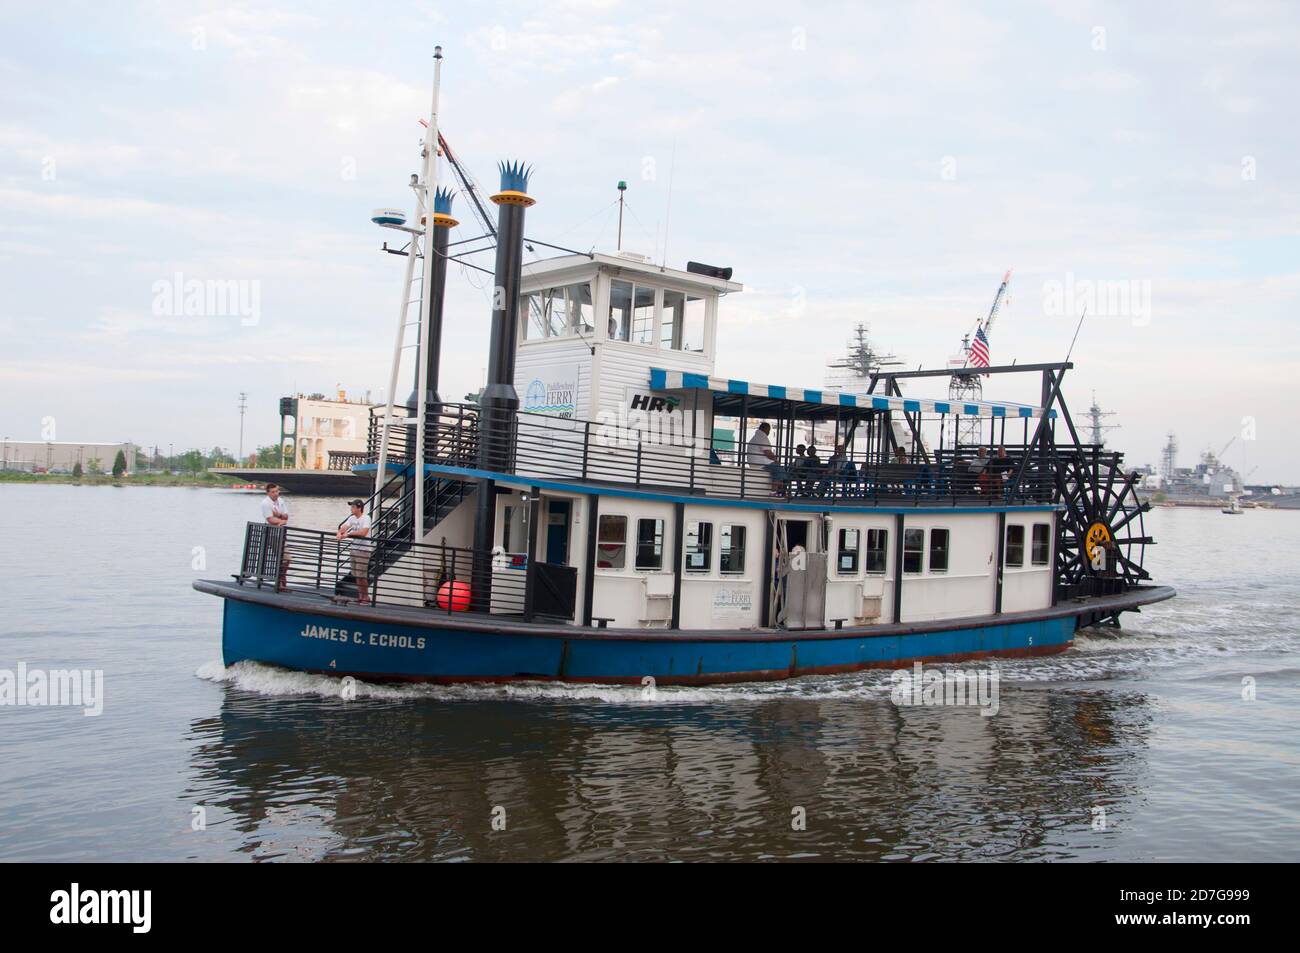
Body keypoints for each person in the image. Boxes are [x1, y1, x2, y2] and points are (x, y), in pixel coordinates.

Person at [337, 499, 373, 605]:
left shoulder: (366, 518)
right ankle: (360, 596)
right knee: (356, 575)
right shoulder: (351, 518)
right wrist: (339, 532)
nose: (351, 509)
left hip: (363, 550)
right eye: (351, 506)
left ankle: (366, 597)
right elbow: (344, 527)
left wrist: (348, 535)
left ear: (359, 508)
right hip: (354, 549)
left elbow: (363, 532)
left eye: (353, 507)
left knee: (362, 575)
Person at [260, 483, 291, 591]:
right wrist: (281, 519)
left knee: (285, 559)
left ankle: (281, 582)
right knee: (284, 558)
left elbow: (286, 516)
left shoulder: (280, 501)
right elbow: (270, 520)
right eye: (273, 492)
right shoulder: (265, 503)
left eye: (277, 491)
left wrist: (278, 515)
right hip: (273, 534)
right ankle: (281, 583)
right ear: (268, 493)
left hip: (281, 534)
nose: (276, 494)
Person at [745, 422, 785, 494]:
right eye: (768, 430)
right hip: (760, 463)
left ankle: (779, 490)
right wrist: (776, 460)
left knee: (779, 470)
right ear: (765, 429)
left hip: (755, 462)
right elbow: (768, 453)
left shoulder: (756, 437)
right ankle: (774, 491)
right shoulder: (762, 437)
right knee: (779, 470)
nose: (769, 432)